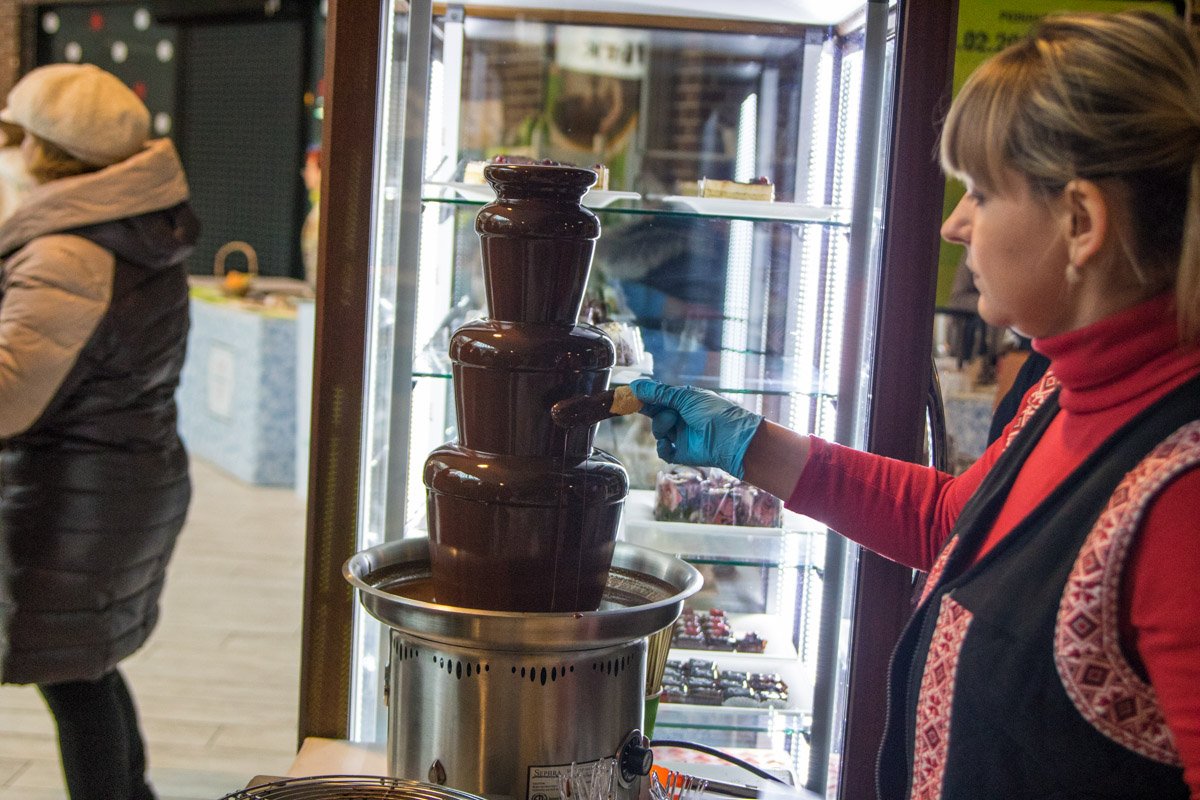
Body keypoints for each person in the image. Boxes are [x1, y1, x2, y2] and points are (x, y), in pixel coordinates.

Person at [630, 11, 1200, 799]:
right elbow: (950, 525)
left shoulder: (1181, 500)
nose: (954, 224)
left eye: (981, 193)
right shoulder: (1059, 395)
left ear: (1080, 223)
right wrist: (748, 446)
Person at [0, 63, 198, 800]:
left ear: (44, 149)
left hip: (76, 495)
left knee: (73, 676)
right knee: (84, 668)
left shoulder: (66, 253)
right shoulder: (129, 230)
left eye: (14, 135)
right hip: (117, 480)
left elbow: (10, 398)